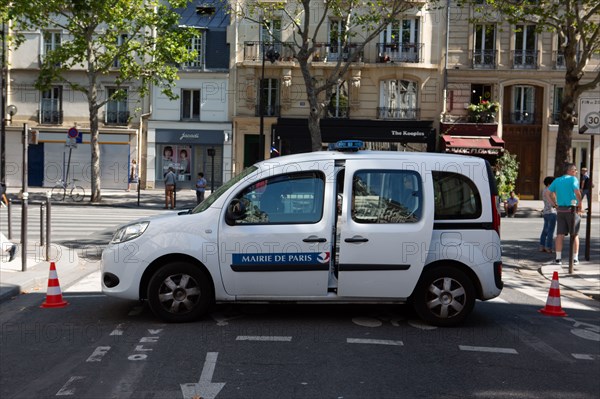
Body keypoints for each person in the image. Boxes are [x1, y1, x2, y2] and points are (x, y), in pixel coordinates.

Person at [545, 163, 582, 265]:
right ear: (570, 171)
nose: (576, 172)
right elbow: (577, 191)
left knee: (560, 234)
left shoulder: (557, 180)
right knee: (574, 234)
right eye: (575, 170)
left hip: (560, 210)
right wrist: (580, 203)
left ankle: (558, 258)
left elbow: (547, 193)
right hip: (572, 209)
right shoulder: (573, 179)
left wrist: (554, 204)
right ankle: (575, 258)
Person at [539, 176, 557, 253]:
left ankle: (541, 246)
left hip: (545, 212)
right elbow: (554, 201)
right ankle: (548, 247)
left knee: (545, 230)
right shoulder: (551, 191)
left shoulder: (544, 190)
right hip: (552, 212)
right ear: (550, 183)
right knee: (550, 231)